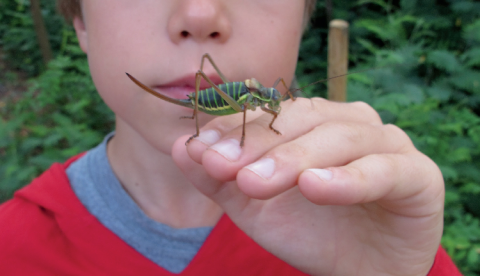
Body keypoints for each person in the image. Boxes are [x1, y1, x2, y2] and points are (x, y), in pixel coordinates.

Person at [0, 0, 462, 275]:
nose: (200, 14)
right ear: (79, 20)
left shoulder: (364, 228)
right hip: (224, 103)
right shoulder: (14, 248)